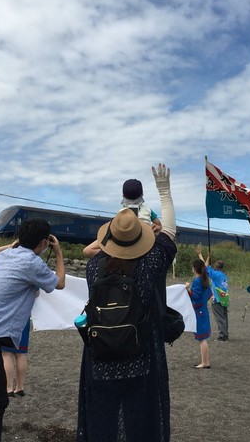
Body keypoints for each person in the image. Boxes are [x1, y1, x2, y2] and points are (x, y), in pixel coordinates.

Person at [76, 163, 177, 442]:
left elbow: (93, 251)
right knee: (140, 421)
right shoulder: (152, 263)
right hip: (141, 357)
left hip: (100, 358)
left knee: (104, 421)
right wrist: (164, 191)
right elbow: (170, 232)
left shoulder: (93, 268)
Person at [0, 219, 66, 442]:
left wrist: (20, 243)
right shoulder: (33, 263)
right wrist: (59, 254)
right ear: (44, 242)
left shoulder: (5, 256)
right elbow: (60, 283)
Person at [83, 177, 162, 258]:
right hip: (143, 241)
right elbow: (158, 224)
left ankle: (115, 256)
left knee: (87, 250)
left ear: (123, 195)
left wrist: (111, 253)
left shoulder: (122, 212)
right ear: (142, 195)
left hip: (123, 240)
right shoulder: (148, 210)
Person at [197, 247, 229, 341]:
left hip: (217, 298)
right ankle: (225, 333)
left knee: (220, 318)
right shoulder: (224, 275)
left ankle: (223, 335)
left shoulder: (215, 275)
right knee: (224, 318)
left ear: (216, 266)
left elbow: (204, 267)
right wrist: (208, 257)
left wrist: (201, 255)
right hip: (224, 299)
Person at [186, 259, 213, 368]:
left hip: (199, 311)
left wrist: (188, 289)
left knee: (202, 339)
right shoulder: (204, 279)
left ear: (194, 269)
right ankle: (205, 362)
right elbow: (209, 294)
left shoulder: (197, 280)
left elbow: (195, 296)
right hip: (203, 309)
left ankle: (205, 363)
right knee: (202, 338)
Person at [2, 318, 32, 398]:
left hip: (8, 318)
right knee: (21, 354)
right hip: (23, 319)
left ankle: (9, 389)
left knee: (6, 354)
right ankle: (20, 388)